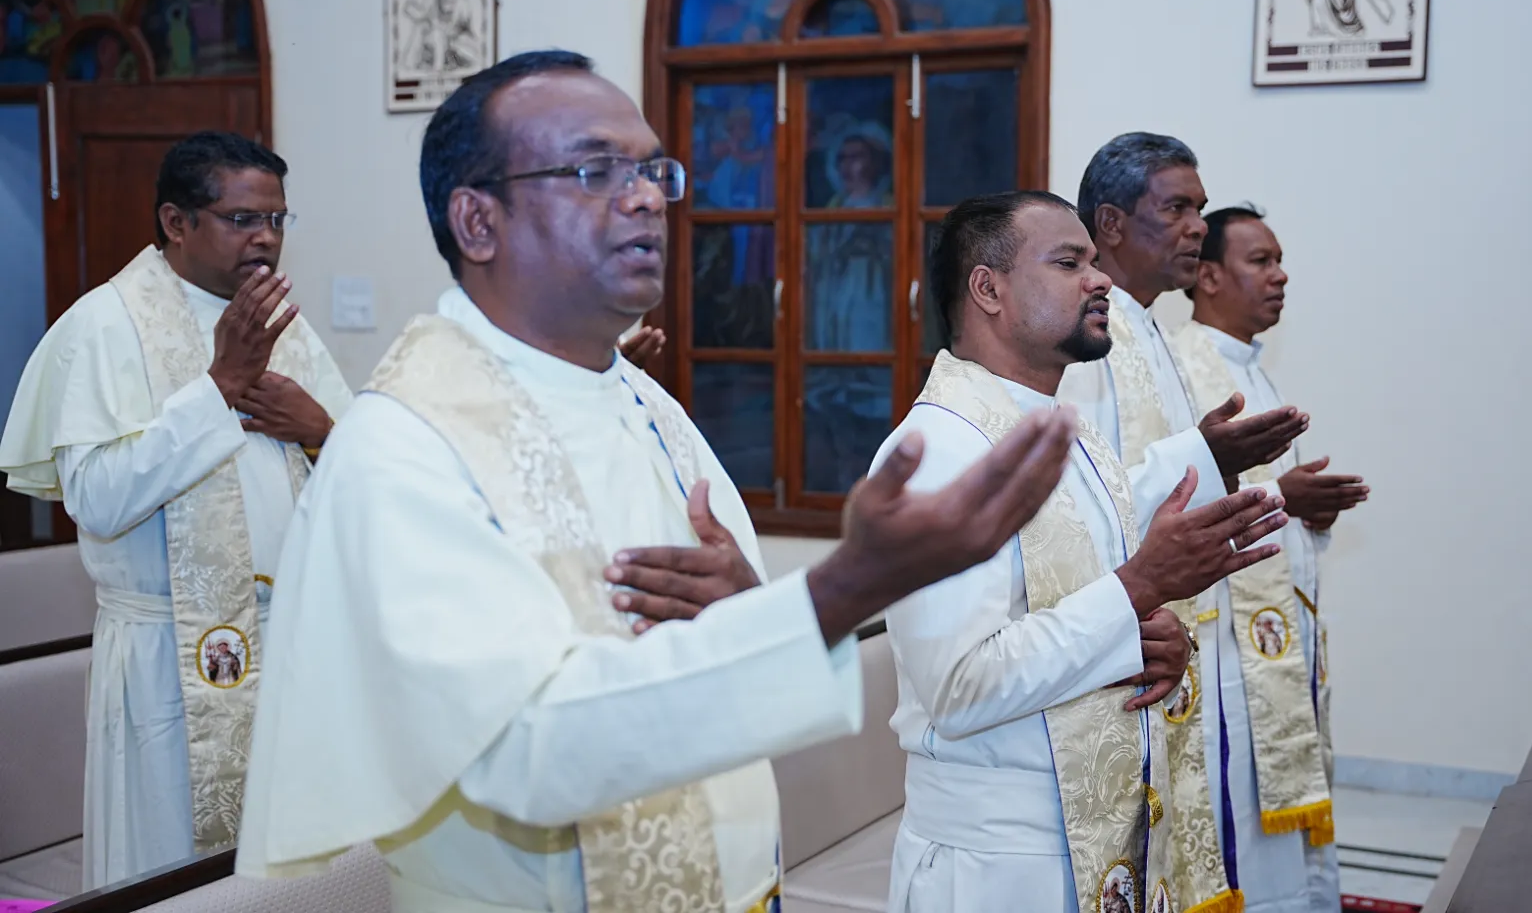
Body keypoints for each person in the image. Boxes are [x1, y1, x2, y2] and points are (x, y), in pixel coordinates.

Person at [234, 50, 1078, 913]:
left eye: (651, 171)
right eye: (594, 171)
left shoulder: (641, 402)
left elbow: (718, 628)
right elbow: (520, 751)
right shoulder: (400, 445)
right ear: (478, 221)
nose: (643, 197)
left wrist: (750, 608)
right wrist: (846, 586)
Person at [877, 190, 1290, 913]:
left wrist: (1151, 642)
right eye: (1069, 263)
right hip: (1002, 867)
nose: (1100, 281)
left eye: (1095, 262)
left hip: (1102, 834)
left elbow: (1083, 613)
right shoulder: (937, 451)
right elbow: (960, 688)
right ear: (988, 289)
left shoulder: (1070, 438)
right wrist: (1137, 591)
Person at [0, 131, 352, 889]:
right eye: (242, 219)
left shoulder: (286, 323)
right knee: (173, 874)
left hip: (286, 641)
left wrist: (322, 431)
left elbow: (362, 483)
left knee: (291, 872)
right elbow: (98, 501)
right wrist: (216, 389)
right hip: (170, 658)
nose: (266, 238)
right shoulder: (105, 325)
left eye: (277, 219)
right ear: (176, 221)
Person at [1064, 133, 1330, 913]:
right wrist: (1208, 456)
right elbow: (1084, 500)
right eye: (1177, 209)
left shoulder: (1147, 332)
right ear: (1112, 224)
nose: (1195, 228)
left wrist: (1231, 471)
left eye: (1200, 210)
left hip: (1178, 632)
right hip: (1124, 638)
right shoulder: (1089, 340)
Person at [1175, 204, 1371, 906]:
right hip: (1224, 658)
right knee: (1246, 842)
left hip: (1274, 645)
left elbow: (1267, 503)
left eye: (1280, 260)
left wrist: (1307, 514)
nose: (1280, 276)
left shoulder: (1254, 374)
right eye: (1260, 261)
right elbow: (1172, 507)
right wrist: (1285, 496)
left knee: (1287, 848)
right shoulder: (1183, 370)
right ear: (1207, 277)